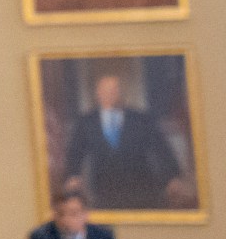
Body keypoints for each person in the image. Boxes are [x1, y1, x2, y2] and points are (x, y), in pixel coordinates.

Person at [61, 72, 188, 213]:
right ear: (98, 93)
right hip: (104, 190)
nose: (110, 94)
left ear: (122, 92)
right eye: (106, 90)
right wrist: (73, 175)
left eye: (114, 90)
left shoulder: (141, 119)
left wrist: (172, 177)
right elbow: (75, 152)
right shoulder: (86, 122)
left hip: (141, 189)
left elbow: (161, 149)